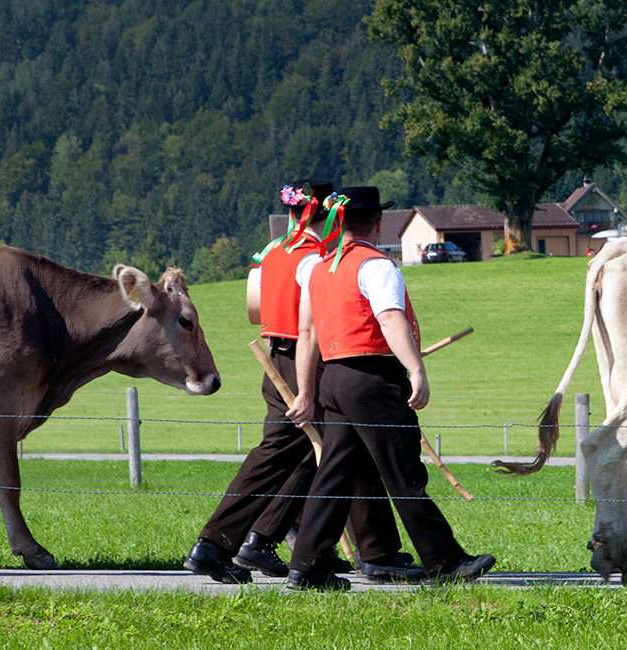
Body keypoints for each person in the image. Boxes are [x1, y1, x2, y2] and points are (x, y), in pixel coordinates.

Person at [183, 179, 422, 585]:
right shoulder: (315, 258)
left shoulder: (273, 252)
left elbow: (255, 307)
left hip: (276, 356)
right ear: (325, 214)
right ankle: (220, 544)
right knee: (312, 453)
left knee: (321, 454)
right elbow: (313, 324)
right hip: (306, 360)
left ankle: (261, 541)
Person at [284, 186, 495, 591]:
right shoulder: (377, 266)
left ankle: (306, 566)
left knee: (333, 474)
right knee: (403, 472)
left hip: (334, 379)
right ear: (378, 224)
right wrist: (416, 369)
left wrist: (307, 393)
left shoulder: (316, 269)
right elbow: (390, 319)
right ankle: (444, 561)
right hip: (373, 378)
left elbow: (306, 333)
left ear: (338, 223)